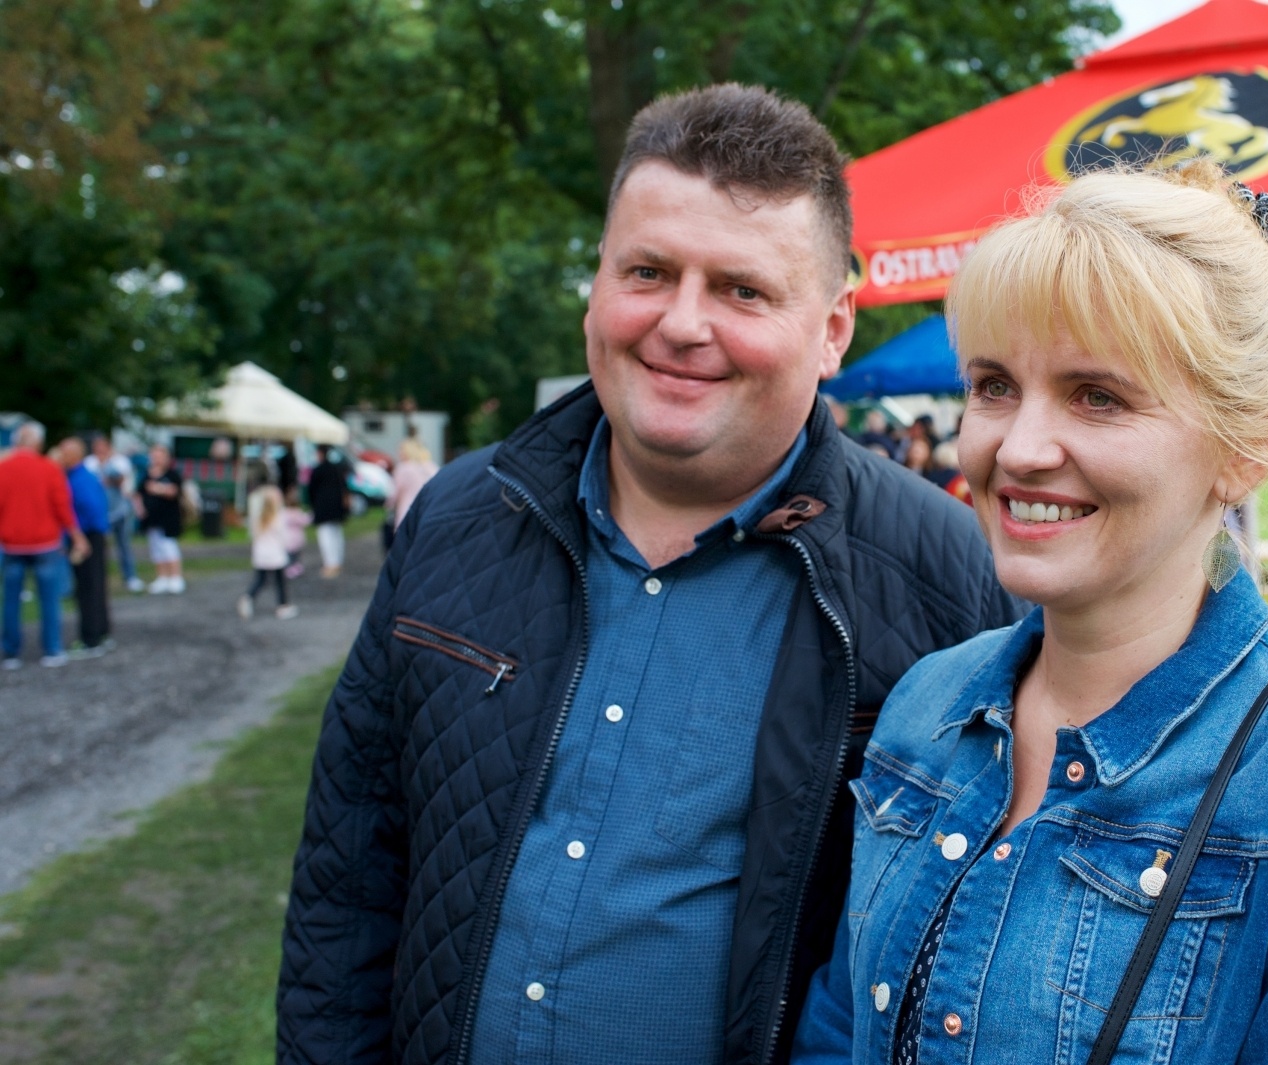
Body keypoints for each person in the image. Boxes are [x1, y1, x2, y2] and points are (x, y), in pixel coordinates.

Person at [276, 84, 1019, 1065]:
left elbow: (972, 947)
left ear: (834, 326)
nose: (681, 323)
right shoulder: (456, 517)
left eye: (741, 290)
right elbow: (348, 881)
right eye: (648, 271)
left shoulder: (947, 579)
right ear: (596, 282)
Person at [793, 166, 1268, 1065]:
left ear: (1249, 445)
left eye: (1097, 396)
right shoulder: (926, 703)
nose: (1018, 448)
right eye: (994, 385)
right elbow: (840, 1030)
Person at [0, 423, 89, 669]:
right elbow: (62, 506)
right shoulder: (49, 469)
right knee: (49, 599)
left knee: (11, 600)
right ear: (38, 443)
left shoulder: (3, 468)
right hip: (45, 543)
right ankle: (51, 649)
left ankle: (11, 653)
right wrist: (76, 535)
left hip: (11, 543)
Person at [59, 437, 113, 655]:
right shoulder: (81, 476)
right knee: (95, 586)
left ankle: (91, 639)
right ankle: (100, 632)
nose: (60, 456)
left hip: (87, 536)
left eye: (64, 452)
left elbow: (91, 509)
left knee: (88, 589)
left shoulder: (80, 479)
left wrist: (78, 539)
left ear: (74, 455)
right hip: (91, 535)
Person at [86, 434, 144, 592]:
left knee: (124, 545)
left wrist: (106, 468)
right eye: (97, 446)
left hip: (119, 511)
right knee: (98, 547)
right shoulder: (89, 462)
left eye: (102, 446)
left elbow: (121, 480)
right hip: (99, 512)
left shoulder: (119, 461)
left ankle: (130, 577)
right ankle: (98, 579)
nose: (100, 450)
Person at [238, 481, 299, 621]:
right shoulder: (279, 516)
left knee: (261, 579)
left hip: (261, 555)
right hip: (276, 555)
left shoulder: (258, 517)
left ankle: (248, 597)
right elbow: (284, 535)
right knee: (279, 581)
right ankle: (282, 606)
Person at [139, 444, 186, 594]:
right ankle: (162, 577)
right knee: (156, 549)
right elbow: (138, 492)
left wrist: (157, 488)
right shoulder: (147, 474)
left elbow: (173, 492)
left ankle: (175, 577)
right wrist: (140, 508)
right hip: (152, 519)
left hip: (168, 519)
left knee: (169, 548)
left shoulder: (172, 474)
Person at [306, 444, 349, 578]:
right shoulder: (336, 469)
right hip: (336, 508)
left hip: (323, 509)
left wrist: (312, 504)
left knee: (326, 537)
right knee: (337, 535)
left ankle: (330, 564)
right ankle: (337, 561)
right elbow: (344, 487)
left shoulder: (317, 470)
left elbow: (311, 490)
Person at [389, 435, 439, 532]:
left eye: (401, 449)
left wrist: (388, 504)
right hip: (430, 513)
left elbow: (393, 494)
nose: (398, 452)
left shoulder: (403, 468)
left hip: (407, 514)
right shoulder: (432, 467)